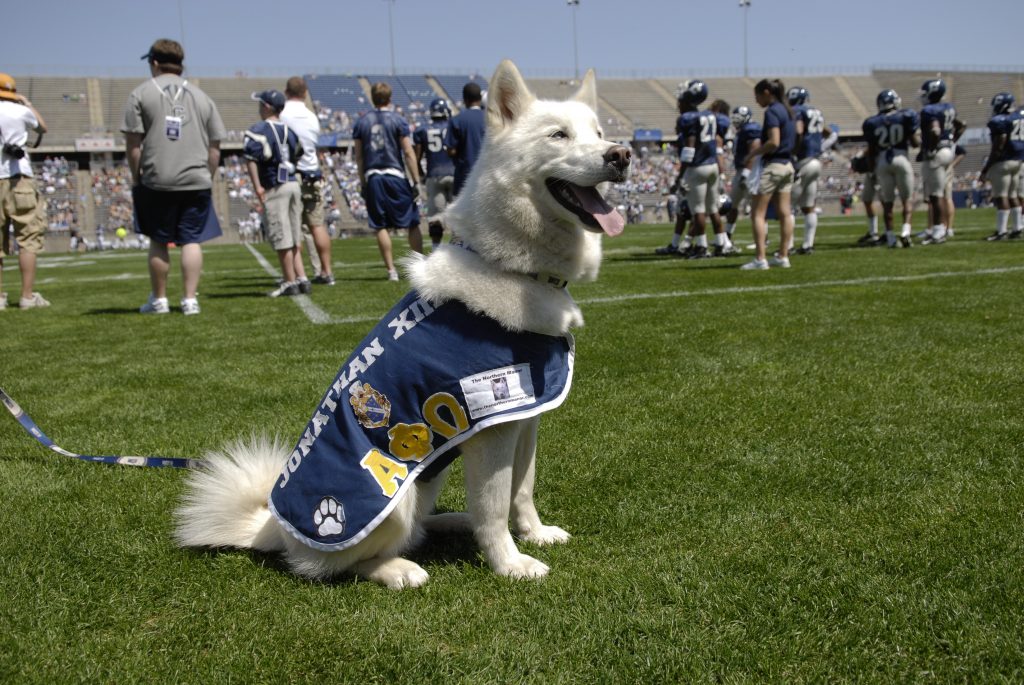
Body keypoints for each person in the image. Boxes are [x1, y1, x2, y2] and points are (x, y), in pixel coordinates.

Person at [122, 39, 225, 315]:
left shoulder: (140, 94)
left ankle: (160, 300)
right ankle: (190, 300)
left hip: (157, 178)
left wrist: (137, 176)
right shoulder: (202, 97)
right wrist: (207, 174)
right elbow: (215, 147)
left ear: (154, 62)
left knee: (158, 240)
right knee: (191, 239)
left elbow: (134, 145)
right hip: (196, 178)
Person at [351, 82, 423, 281]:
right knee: (412, 221)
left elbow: (359, 157)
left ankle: (391, 270)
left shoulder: (361, 122)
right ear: (390, 98)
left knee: (380, 225)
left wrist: (363, 182)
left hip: (373, 176)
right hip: (395, 175)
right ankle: (418, 266)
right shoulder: (398, 120)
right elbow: (408, 152)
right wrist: (416, 181)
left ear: (372, 98)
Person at [244, 90, 308, 297]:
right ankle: (302, 277)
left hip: (275, 185)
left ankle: (290, 281)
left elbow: (251, 158)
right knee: (294, 234)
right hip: (292, 183)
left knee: (281, 236)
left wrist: (257, 187)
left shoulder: (259, 130)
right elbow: (299, 153)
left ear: (267, 107)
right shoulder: (290, 130)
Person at [0, 72, 49, 310]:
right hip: (19, 178)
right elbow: (42, 127)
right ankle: (27, 296)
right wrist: (27, 103)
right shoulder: (20, 111)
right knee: (27, 239)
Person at [280, 76, 334, 285]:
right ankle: (326, 272)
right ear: (304, 93)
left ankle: (297, 275)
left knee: (294, 229)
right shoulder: (312, 117)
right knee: (317, 225)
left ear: (287, 92)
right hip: (313, 173)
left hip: (294, 173)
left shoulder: (283, 114)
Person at [669, 80, 731, 259]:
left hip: (698, 166)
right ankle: (721, 243)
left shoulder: (688, 118)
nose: (679, 104)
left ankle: (702, 247)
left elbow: (689, 150)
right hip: (712, 165)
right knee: (713, 208)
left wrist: (680, 177)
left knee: (698, 210)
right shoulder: (710, 116)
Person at [740, 79, 796, 270]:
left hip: (773, 165)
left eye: (757, 95)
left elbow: (774, 141)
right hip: (787, 165)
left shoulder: (772, 111)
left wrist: (754, 153)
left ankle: (760, 258)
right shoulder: (788, 110)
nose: (756, 100)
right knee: (785, 213)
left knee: (758, 213)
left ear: (766, 92)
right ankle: (783, 255)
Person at [862, 89, 920, 249]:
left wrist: (872, 170)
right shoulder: (905, 116)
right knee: (907, 199)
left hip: (882, 161)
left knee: (887, 203)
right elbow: (915, 143)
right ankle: (906, 232)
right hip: (901, 158)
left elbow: (872, 150)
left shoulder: (872, 122)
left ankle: (890, 237)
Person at [918, 78, 965, 244]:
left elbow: (936, 130)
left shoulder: (929, 110)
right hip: (947, 152)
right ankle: (941, 229)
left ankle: (938, 231)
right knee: (942, 194)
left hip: (937, 153)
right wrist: (952, 142)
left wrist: (930, 148)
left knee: (935, 194)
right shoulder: (949, 107)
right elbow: (961, 125)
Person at [788, 86, 834, 255]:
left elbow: (799, 131)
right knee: (809, 206)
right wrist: (819, 147)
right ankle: (808, 244)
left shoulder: (796, 111)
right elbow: (830, 133)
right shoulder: (815, 111)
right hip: (815, 161)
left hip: (803, 161)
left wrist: (793, 150)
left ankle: (788, 245)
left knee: (789, 206)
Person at [979, 92, 1024, 241]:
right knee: (1013, 195)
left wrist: (987, 167)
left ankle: (1001, 231)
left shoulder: (1000, 120)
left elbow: (999, 144)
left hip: (1004, 162)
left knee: (1001, 196)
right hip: (1018, 161)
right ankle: (1017, 227)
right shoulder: (1019, 117)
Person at [413, 98, 455, 248]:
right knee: (460, 215)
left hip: (434, 175)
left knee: (435, 217)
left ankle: (436, 250)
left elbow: (416, 158)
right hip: (455, 173)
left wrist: (422, 175)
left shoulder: (423, 130)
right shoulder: (453, 126)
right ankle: (461, 250)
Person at [723, 104, 761, 244]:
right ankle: (727, 236)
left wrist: (746, 173)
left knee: (756, 208)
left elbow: (754, 150)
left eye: (739, 117)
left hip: (750, 172)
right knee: (731, 205)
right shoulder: (742, 130)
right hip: (741, 171)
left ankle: (764, 239)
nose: (736, 120)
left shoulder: (751, 129)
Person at [444, 82, 486, 198]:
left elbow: (450, 150)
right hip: (486, 174)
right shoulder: (490, 119)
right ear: (480, 98)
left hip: (464, 175)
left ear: (464, 99)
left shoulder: (457, 120)